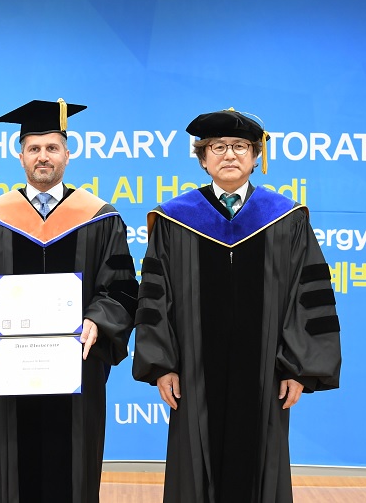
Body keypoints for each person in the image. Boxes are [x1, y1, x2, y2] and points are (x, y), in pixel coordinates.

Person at [132, 108, 342, 502]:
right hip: (194, 374)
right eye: (218, 147)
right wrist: (162, 364)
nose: (230, 154)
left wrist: (297, 367)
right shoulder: (175, 220)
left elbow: (307, 293)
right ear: (203, 158)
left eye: (241, 146)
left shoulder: (286, 218)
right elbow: (155, 297)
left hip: (265, 375)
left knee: (259, 462)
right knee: (196, 462)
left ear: (256, 156)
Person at [0, 99, 138, 503]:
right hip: (11, 368)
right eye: (34, 148)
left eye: (52, 148)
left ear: (68, 154)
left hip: (78, 367)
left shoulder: (100, 218)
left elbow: (120, 287)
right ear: (20, 156)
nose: (43, 156)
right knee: (12, 470)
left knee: (73, 469)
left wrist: (98, 320)